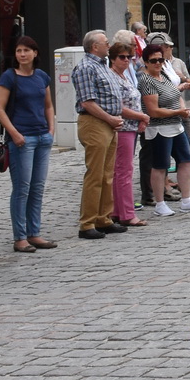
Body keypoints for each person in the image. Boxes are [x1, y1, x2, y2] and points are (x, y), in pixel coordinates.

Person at [0, 36, 57, 252]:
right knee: (22, 189)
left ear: (35, 53)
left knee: (37, 188)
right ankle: (20, 237)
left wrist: (51, 130)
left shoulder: (41, 77)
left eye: (26, 50)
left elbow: (48, 105)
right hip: (22, 139)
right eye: (19, 50)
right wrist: (14, 133)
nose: (22, 54)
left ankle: (34, 233)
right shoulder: (9, 77)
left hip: (42, 138)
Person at [71, 31, 125, 240]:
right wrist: (110, 119)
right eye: (105, 42)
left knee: (107, 174)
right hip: (95, 123)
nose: (109, 45)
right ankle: (87, 223)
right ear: (94, 47)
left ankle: (104, 217)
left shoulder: (101, 65)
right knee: (95, 174)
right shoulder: (86, 67)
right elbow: (87, 102)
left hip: (109, 124)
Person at [139, 41, 190, 216]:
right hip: (159, 127)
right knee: (160, 166)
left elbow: (175, 94)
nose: (158, 63)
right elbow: (153, 110)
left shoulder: (163, 75)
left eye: (160, 59)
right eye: (153, 60)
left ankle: (186, 199)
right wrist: (178, 111)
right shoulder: (146, 80)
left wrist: (183, 108)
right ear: (145, 62)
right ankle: (159, 203)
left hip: (176, 124)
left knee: (186, 160)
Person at [108, 42, 150, 227]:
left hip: (130, 127)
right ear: (112, 59)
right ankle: (126, 213)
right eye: (122, 57)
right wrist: (141, 116)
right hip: (122, 127)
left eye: (129, 57)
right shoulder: (113, 78)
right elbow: (119, 107)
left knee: (121, 171)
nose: (126, 61)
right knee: (124, 171)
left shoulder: (123, 76)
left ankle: (117, 210)